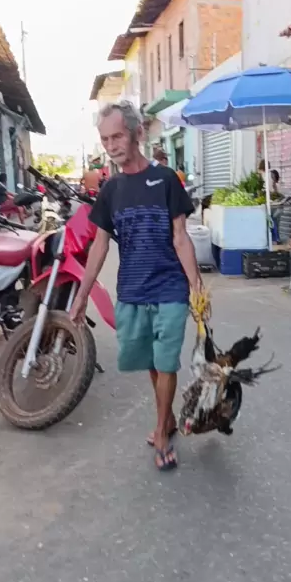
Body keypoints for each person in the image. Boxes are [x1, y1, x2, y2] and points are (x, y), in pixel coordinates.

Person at [70, 100, 202, 472]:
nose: (111, 145)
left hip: (170, 287)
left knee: (166, 361)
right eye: (105, 139)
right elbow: (99, 245)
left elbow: (180, 237)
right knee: (151, 362)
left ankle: (161, 433)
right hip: (132, 289)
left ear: (137, 133)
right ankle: (168, 418)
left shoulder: (166, 180)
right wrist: (82, 296)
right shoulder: (111, 189)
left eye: (117, 136)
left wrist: (196, 285)